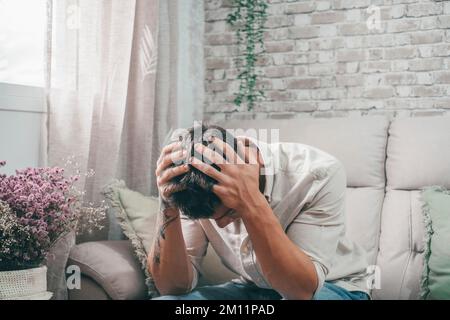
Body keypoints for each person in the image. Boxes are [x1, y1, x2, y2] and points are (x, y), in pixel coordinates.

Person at [148, 124, 370, 300]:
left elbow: (301, 292)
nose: (222, 226)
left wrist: (250, 202)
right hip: (254, 288)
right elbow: (172, 287)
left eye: (231, 212)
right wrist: (167, 202)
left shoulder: (317, 173)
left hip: (334, 287)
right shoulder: (192, 184)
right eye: (213, 220)